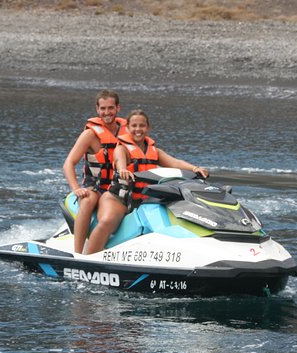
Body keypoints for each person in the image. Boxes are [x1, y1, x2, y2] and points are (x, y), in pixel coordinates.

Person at [83, 109, 209, 255]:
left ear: (147, 127)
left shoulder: (155, 151)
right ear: (128, 128)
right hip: (118, 199)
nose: (138, 129)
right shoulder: (122, 149)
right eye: (134, 126)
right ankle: (88, 258)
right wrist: (123, 169)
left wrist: (195, 168)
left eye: (142, 126)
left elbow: (175, 162)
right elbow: (119, 160)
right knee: (107, 221)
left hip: (144, 201)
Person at [62, 90, 127, 254]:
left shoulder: (128, 132)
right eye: (103, 108)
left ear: (118, 108)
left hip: (119, 185)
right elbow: (69, 163)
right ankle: (77, 253)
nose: (107, 113)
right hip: (95, 186)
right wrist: (76, 188)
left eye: (111, 108)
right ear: (97, 110)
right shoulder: (90, 134)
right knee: (88, 200)